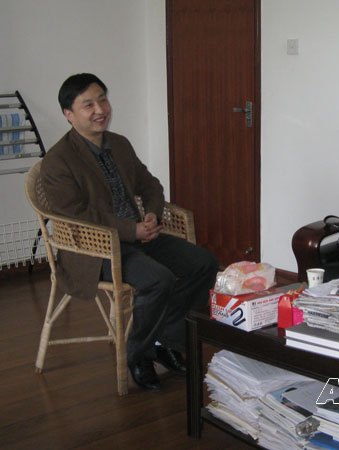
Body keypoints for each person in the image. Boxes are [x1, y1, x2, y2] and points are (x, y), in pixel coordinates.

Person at [41, 73, 219, 390]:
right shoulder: (58, 161)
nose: (100, 109)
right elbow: (77, 216)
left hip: (139, 234)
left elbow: (149, 184)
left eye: (103, 99)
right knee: (158, 280)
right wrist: (131, 229)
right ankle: (138, 354)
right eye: (88, 105)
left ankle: (166, 340)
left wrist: (151, 214)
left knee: (204, 263)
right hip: (96, 248)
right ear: (69, 114)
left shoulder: (119, 144)